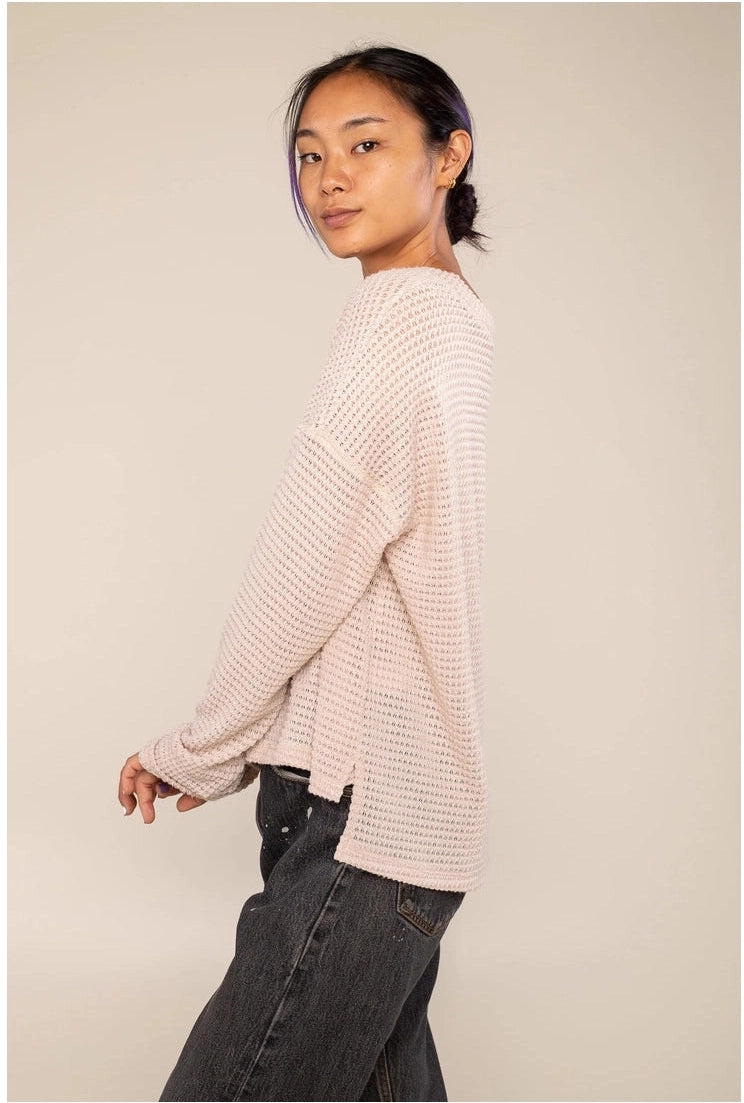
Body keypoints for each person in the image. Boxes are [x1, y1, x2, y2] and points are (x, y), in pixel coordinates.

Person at [118, 44, 494, 1103]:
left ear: (449, 155)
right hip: (408, 819)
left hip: (359, 820)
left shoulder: (396, 320)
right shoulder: (460, 319)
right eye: (310, 154)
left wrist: (199, 747)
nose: (329, 178)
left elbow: (303, 568)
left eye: (365, 146)